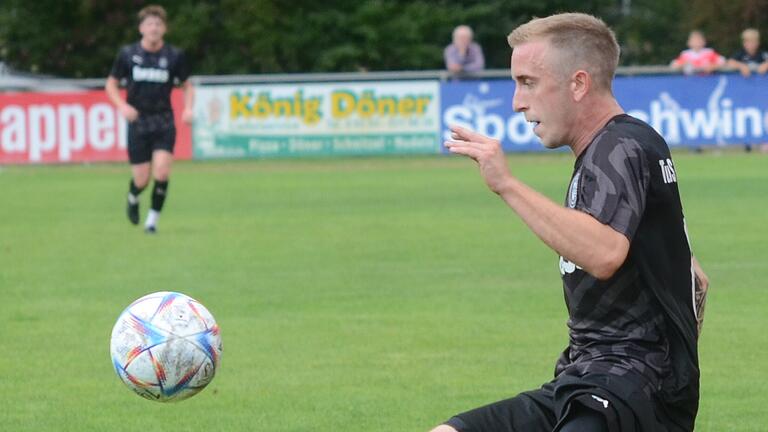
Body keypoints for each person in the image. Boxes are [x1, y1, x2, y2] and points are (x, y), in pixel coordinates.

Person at [435, 13, 710, 432]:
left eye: (528, 82)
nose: (516, 101)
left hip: (627, 388)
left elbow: (603, 254)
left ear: (578, 84)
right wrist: (680, 370)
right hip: (590, 381)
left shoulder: (619, 147)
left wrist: (506, 184)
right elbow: (696, 281)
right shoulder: (624, 144)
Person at [105, 4, 193, 234]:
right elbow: (111, 84)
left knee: (162, 172)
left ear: (164, 29)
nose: (154, 28)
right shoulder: (128, 54)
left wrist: (188, 108)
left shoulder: (174, 56)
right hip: (138, 122)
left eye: (158, 24)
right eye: (149, 24)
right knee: (142, 179)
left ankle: (151, 222)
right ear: (141, 28)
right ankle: (133, 196)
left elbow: (187, 86)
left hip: (163, 120)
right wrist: (122, 106)